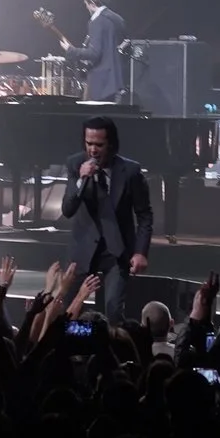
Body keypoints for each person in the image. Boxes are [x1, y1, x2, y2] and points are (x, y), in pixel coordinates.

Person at [62, 117, 152, 320]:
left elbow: (144, 214)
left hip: (116, 252)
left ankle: (111, 348)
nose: (93, 150)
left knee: (112, 309)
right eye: (89, 143)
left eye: (99, 145)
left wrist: (140, 252)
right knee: (68, 307)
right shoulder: (75, 164)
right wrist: (80, 180)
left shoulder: (130, 172)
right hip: (83, 249)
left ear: (111, 144)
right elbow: (67, 210)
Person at [62, 0, 129, 103]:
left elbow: (95, 53)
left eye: (86, 4)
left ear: (92, 3)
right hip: (118, 81)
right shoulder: (118, 19)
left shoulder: (97, 21)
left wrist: (71, 50)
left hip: (102, 83)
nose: (87, 8)